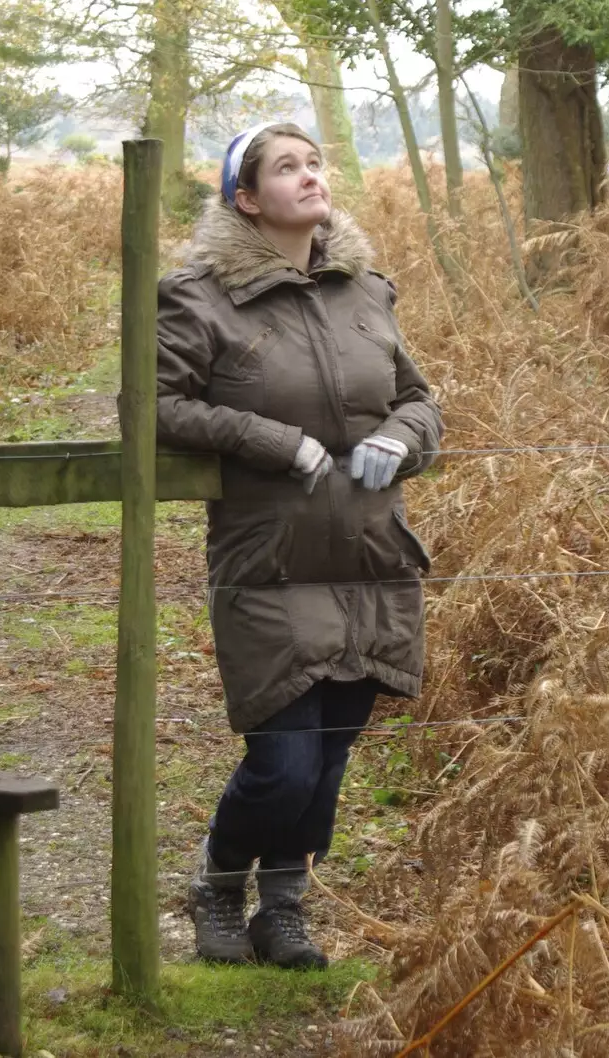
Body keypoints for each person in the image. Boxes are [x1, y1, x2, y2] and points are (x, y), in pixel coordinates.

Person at [155, 121, 443, 969]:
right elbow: (161, 406)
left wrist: (403, 436)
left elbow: (421, 398)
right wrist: (271, 441)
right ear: (246, 199)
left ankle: (284, 906)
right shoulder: (198, 295)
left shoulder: (367, 291)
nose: (311, 175)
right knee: (282, 763)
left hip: (368, 554)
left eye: (315, 162)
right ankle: (215, 884)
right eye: (287, 167)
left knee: (328, 762)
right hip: (269, 559)